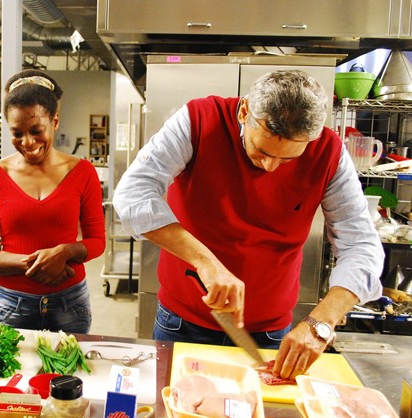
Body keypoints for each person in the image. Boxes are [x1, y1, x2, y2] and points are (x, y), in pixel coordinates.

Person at [113, 70, 384, 379]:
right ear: (244, 112)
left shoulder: (329, 151)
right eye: (263, 151)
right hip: (183, 323)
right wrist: (207, 263)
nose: (270, 167)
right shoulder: (199, 120)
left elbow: (362, 245)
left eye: (287, 160)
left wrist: (321, 323)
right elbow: (134, 194)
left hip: (271, 333)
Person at [0, 69, 105, 334]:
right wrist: (35, 264)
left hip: (70, 303)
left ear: (55, 121)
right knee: (10, 376)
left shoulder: (83, 171)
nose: (27, 142)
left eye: (36, 130)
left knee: (67, 375)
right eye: (17, 133)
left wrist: (64, 252)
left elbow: (97, 242)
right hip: (12, 304)